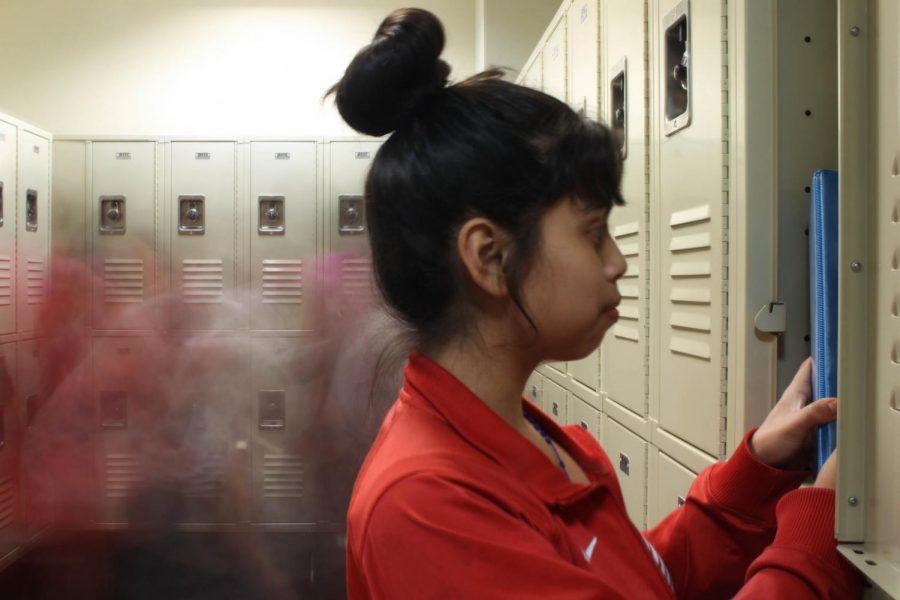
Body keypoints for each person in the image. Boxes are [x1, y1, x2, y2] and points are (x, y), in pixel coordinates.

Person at [327, 8, 861, 598]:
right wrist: (817, 533)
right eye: (592, 231)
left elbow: (634, 580)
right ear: (490, 257)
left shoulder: (535, 437)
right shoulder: (426, 509)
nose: (618, 260)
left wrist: (754, 473)